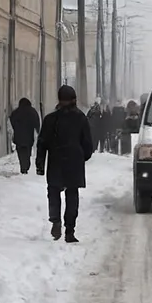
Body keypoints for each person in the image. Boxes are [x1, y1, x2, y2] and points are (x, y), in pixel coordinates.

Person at [36, 85, 94, 243]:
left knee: (53, 193)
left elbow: (42, 143)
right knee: (72, 197)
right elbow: (88, 144)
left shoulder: (50, 119)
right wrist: (82, 156)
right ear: (74, 99)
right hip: (74, 163)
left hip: (55, 162)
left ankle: (55, 220)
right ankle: (70, 230)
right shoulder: (81, 118)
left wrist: (40, 164)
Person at [9, 97, 41, 174]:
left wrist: (16, 127)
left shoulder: (16, 112)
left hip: (18, 136)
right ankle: (26, 165)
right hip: (29, 135)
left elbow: (11, 119)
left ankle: (23, 166)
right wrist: (38, 130)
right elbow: (37, 122)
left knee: (20, 152)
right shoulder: (32, 111)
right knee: (27, 151)